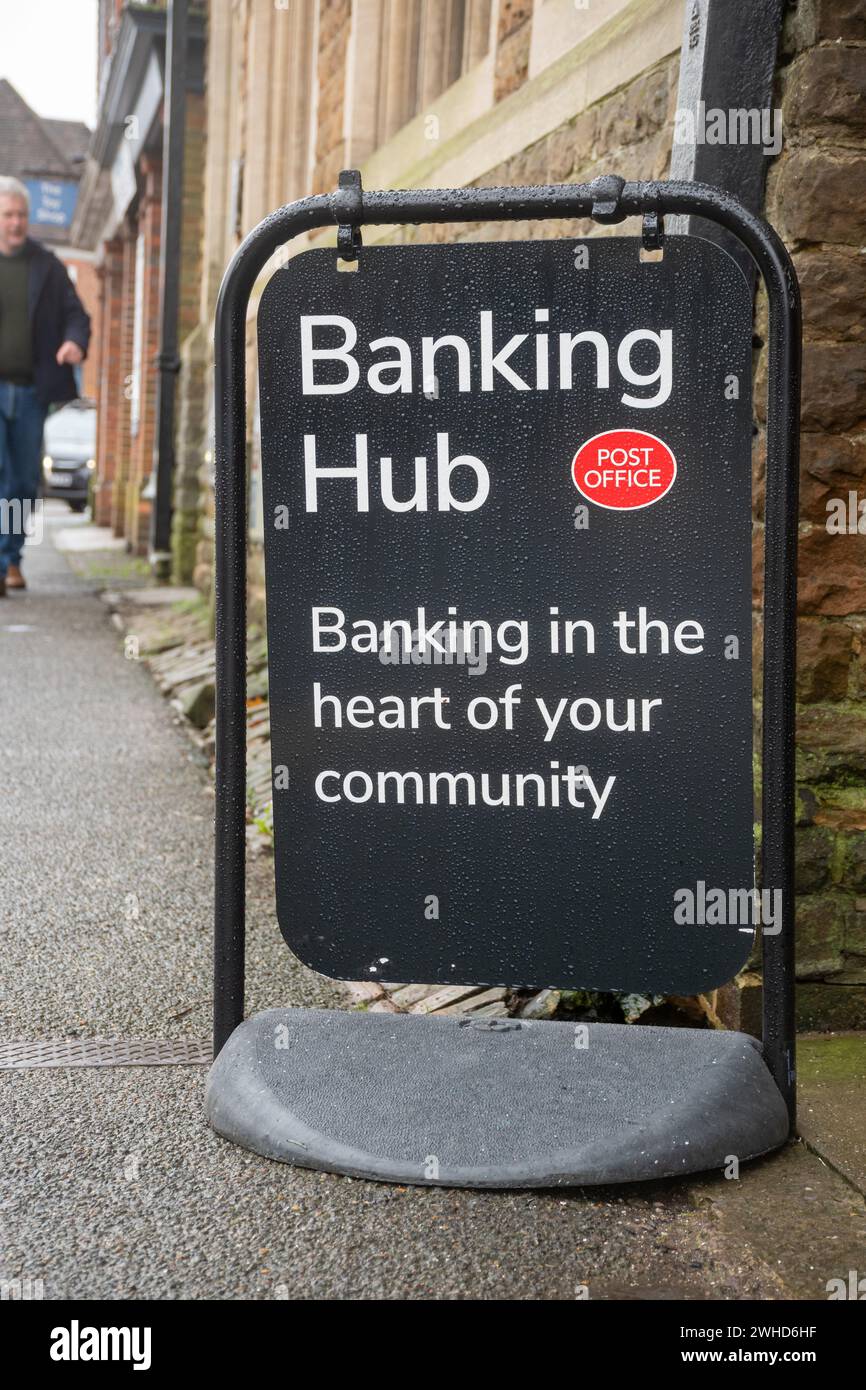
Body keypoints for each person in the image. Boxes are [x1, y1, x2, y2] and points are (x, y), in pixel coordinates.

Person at [0, 176, 91, 595]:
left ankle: (10, 559)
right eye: (8, 215)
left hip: (32, 392)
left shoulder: (47, 266)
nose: (15, 223)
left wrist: (73, 341)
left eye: (21, 215)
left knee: (20, 482)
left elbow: (77, 315)